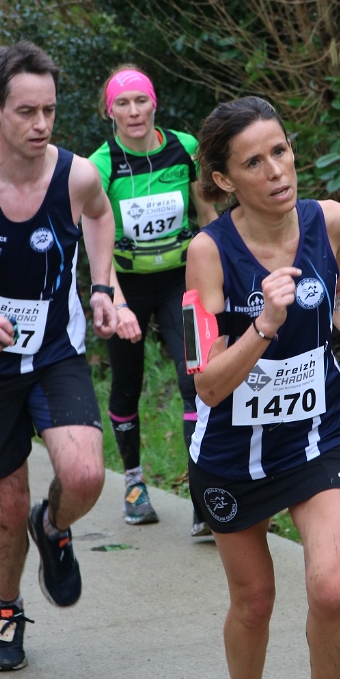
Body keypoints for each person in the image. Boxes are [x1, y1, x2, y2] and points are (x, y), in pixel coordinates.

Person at [186, 96, 340, 679]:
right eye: (253, 162)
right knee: (254, 603)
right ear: (223, 179)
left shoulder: (329, 220)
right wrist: (264, 325)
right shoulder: (208, 253)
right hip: (232, 454)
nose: (276, 170)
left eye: (280, 151)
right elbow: (207, 383)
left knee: (331, 589)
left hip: (317, 436)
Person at [0, 41, 118, 672]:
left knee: (85, 476)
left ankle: (53, 526)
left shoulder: (76, 176)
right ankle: (7, 609)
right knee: (5, 511)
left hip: (55, 352)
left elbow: (100, 216)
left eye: (50, 111)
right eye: (26, 112)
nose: (41, 125)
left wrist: (102, 287)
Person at [89, 67, 217, 533]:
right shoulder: (100, 166)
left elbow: (208, 217)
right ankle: (134, 484)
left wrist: (216, 278)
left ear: (154, 103)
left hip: (180, 281)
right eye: (122, 103)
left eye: (140, 100)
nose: (133, 111)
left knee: (196, 379)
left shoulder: (184, 148)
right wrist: (117, 304)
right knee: (127, 382)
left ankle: (203, 495)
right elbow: (97, 245)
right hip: (125, 284)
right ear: (110, 112)